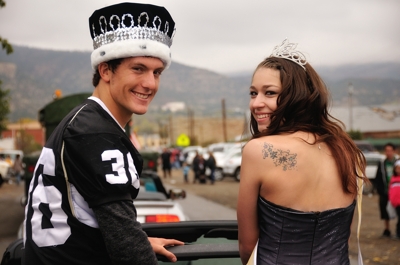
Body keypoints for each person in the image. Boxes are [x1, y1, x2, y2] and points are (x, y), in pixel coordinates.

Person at [23, 3, 183, 265]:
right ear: (105, 70)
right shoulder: (95, 132)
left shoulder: (86, 121)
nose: (150, 84)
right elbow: (127, 249)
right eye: (138, 68)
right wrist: (136, 243)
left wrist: (138, 238)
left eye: (157, 72)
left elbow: (88, 221)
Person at [237, 39, 367, 265]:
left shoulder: (258, 151)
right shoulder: (347, 150)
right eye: (252, 93)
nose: (256, 103)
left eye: (269, 93)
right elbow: (343, 235)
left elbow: (248, 246)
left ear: (296, 95)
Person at [375, 142, 399, 237]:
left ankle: (398, 229)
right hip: (385, 191)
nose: (388, 152)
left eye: (390, 150)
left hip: (397, 191)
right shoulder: (382, 164)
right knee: (384, 210)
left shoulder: (397, 162)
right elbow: (378, 178)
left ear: (394, 151)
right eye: (386, 150)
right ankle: (387, 229)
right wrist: (380, 190)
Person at [388, 160, 400, 239]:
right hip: (396, 203)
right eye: (397, 168)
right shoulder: (393, 178)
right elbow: (391, 191)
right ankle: (398, 233)